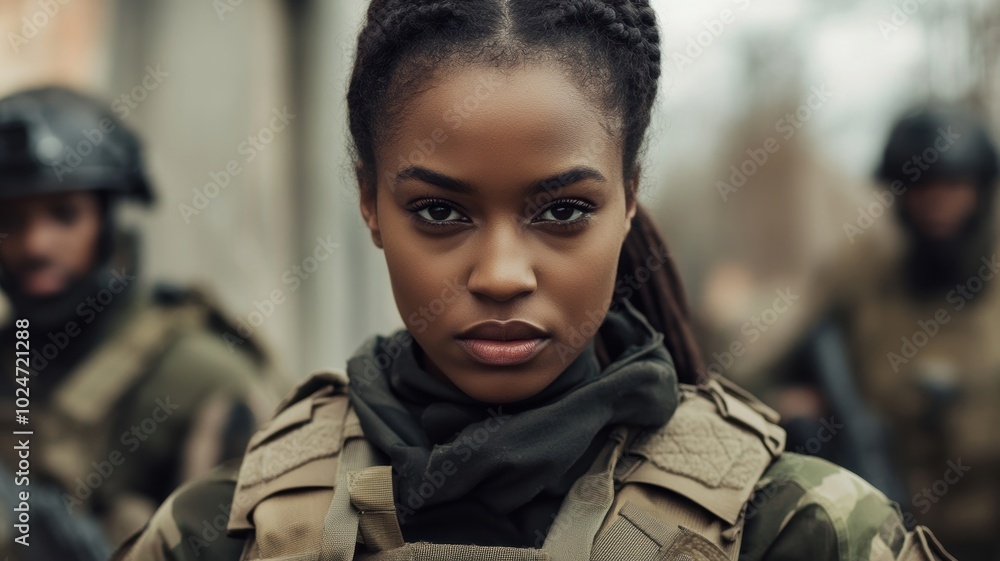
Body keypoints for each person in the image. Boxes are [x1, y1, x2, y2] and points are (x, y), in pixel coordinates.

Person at [113, 2, 955, 560]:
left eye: (563, 212)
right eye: (441, 213)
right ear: (370, 203)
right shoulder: (231, 528)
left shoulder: (796, 529)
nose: (502, 274)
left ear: (630, 201)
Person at [0, 86, 285, 559]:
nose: (36, 245)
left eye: (64, 215)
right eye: (9, 219)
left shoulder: (200, 375)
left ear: (108, 219)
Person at [775, 106, 1000, 560]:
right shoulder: (859, 278)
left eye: (953, 186)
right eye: (921, 187)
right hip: (886, 534)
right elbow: (767, 372)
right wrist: (791, 406)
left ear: (980, 190)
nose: (937, 203)